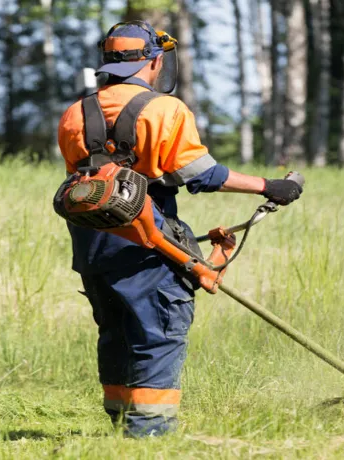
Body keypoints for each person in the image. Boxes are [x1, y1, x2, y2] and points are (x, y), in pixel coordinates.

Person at [57, 22, 302, 437]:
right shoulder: (165, 110)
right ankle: (148, 434)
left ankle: (119, 426)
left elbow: (87, 185)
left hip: (93, 245)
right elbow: (202, 176)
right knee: (158, 334)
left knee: (115, 332)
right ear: (154, 61)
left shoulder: (75, 113)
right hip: (148, 245)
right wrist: (270, 186)